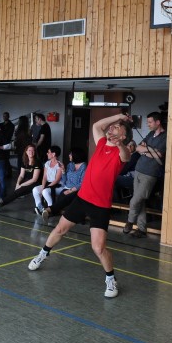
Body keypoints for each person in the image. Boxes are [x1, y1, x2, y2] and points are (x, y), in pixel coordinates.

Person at [28, 112, 132, 300]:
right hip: (83, 198)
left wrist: (120, 144)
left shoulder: (121, 152)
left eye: (117, 127)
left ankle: (111, 279)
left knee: (98, 248)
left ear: (123, 136)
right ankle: (42, 254)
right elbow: (97, 126)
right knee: (60, 229)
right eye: (113, 126)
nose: (112, 127)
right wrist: (119, 116)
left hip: (100, 205)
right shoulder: (101, 143)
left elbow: (126, 155)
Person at [124, 112, 166, 238]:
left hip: (150, 173)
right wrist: (150, 150)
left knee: (135, 200)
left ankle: (130, 221)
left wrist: (147, 150)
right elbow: (138, 148)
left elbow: (159, 155)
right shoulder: (150, 134)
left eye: (150, 122)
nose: (148, 125)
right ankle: (142, 229)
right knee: (140, 201)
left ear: (158, 122)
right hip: (139, 170)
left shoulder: (165, 136)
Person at [42, 147, 87, 223]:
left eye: (70, 154)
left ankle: (48, 210)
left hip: (77, 190)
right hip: (67, 187)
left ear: (76, 155)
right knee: (60, 200)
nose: (69, 155)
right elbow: (64, 180)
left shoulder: (84, 166)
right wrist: (63, 170)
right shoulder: (70, 165)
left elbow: (82, 183)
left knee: (67, 198)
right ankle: (51, 212)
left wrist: (70, 190)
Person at [0, 144, 41, 211]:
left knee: (18, 192)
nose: (31, 152)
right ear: (26, 152)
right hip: (28, 181)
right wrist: (17, 184)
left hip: (36, 183)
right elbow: (21, 175)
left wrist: (21, 185)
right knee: (17, 191)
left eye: (33, 150)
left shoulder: (37, 163)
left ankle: (0, 203)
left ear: (35, 152)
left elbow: (34, 179)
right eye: (29, 150)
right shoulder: (25, 162)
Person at [32, 145, 63, 215]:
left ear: (53, 154)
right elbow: (44, 177)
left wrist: (46, 187)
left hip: (57, 185)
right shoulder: (47, 163)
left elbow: (57, 180)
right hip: (48, 184)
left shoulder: (60, 165)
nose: (47, 153)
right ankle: (39, 208)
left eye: (48, 152)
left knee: (45, 191)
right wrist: (43, 186)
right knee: (35, 189)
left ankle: (51, 209)